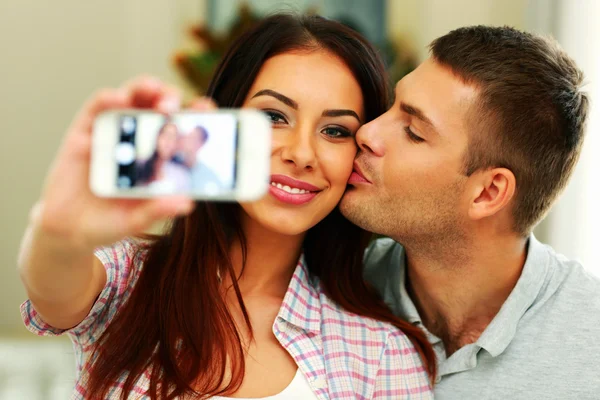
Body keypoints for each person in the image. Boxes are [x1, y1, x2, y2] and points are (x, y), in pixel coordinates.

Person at [18, 14, 435, 400]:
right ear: (220, 122)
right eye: (274, 116)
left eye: (335, 130)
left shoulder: (381, 353)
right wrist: (58, 229)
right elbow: (53, 286)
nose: (302, 153)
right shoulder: (130, 282)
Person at [340, 25, 599, 399]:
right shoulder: (332, 294)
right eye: (390, 108)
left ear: (488, 192)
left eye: (413, 131)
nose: (366, 132)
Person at [136, 121, 191, 192]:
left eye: (173, 137)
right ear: (157, 138)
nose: (168, 141)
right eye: (165, 135)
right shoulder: (140, 165)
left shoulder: (181, 174)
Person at [177, 125, 224, 193]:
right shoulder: (172, 163)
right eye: (188, 136)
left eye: (192, 138)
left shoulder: (208, 176)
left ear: (200, 144)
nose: (187, 140)